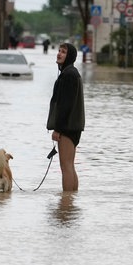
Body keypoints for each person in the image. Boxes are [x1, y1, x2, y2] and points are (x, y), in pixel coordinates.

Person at [47, 43, 85, 191]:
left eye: (63, 52)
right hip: (72, 126)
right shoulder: (70, 73)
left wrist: (58, 129)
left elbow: (65, 105)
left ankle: (66, 204)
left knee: (66, 165)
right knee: (69, 165)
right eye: (59, 51)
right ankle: (71, 202)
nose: (59, 54)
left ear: (69, 56)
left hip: (67, 127)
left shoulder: (69, 75)